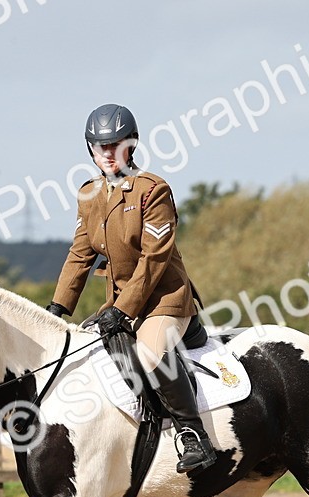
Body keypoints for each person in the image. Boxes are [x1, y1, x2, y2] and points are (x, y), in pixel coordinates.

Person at [45, 103, 216, 474]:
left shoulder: (153, 190)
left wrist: (122, 311)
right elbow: (80, 253)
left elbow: (154, 259)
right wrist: (57, 309)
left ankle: (193, 435)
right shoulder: (89, 194)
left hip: (163, 302)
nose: (107, 153)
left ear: (131, 144)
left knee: (151, 355)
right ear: (90, 149)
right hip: (118, 304)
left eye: (116, 144)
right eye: (100, 146)